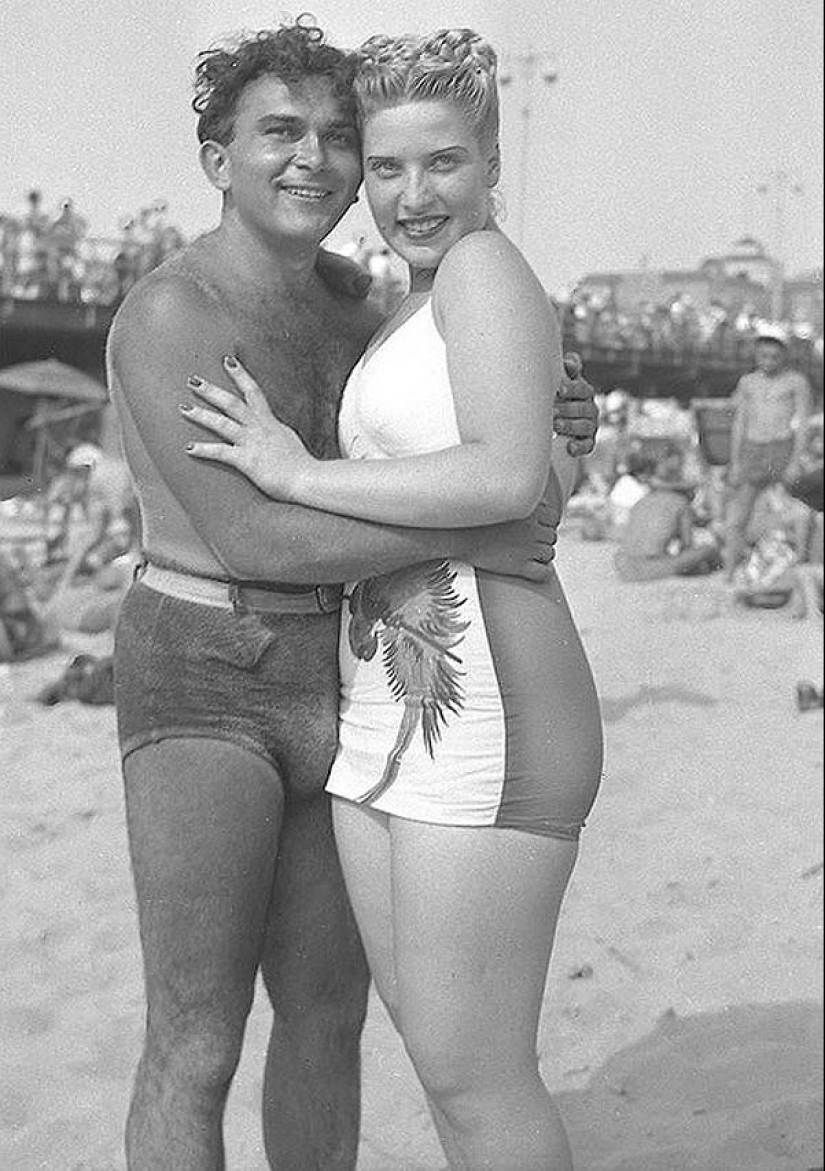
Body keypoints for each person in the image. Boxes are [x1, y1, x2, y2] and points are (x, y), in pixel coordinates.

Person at [105, 20, 599, 1171]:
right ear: (216, 157)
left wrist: (558, 434)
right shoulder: (171, 312)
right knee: (197, 1041)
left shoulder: (363, 301)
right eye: (278, 131)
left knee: (331, 1019)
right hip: (204, 666)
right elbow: (257, 531)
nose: (314, 161)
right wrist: (504, 508)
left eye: (339, 138)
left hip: (347, 673)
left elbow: (467, 427)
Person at [724, 324, 813, 579]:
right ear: (756, 355)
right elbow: (740, 423)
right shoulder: (748, 382)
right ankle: (729, 570)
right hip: (753, 449)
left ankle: (798, 570)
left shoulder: (796, 381)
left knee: (791, 510)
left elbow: (803, 423)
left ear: (784, 356)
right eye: (763, 356)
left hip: (781, 448)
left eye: (774, 357)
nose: (768, 362)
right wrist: (735, 461)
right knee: (739, 513)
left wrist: (796, 460)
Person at [614, 443, 721, 581]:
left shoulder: (641, 502)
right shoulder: (681, 504)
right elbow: (686, 546)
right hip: (650, 567)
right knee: (707, 550)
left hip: (623, 564)